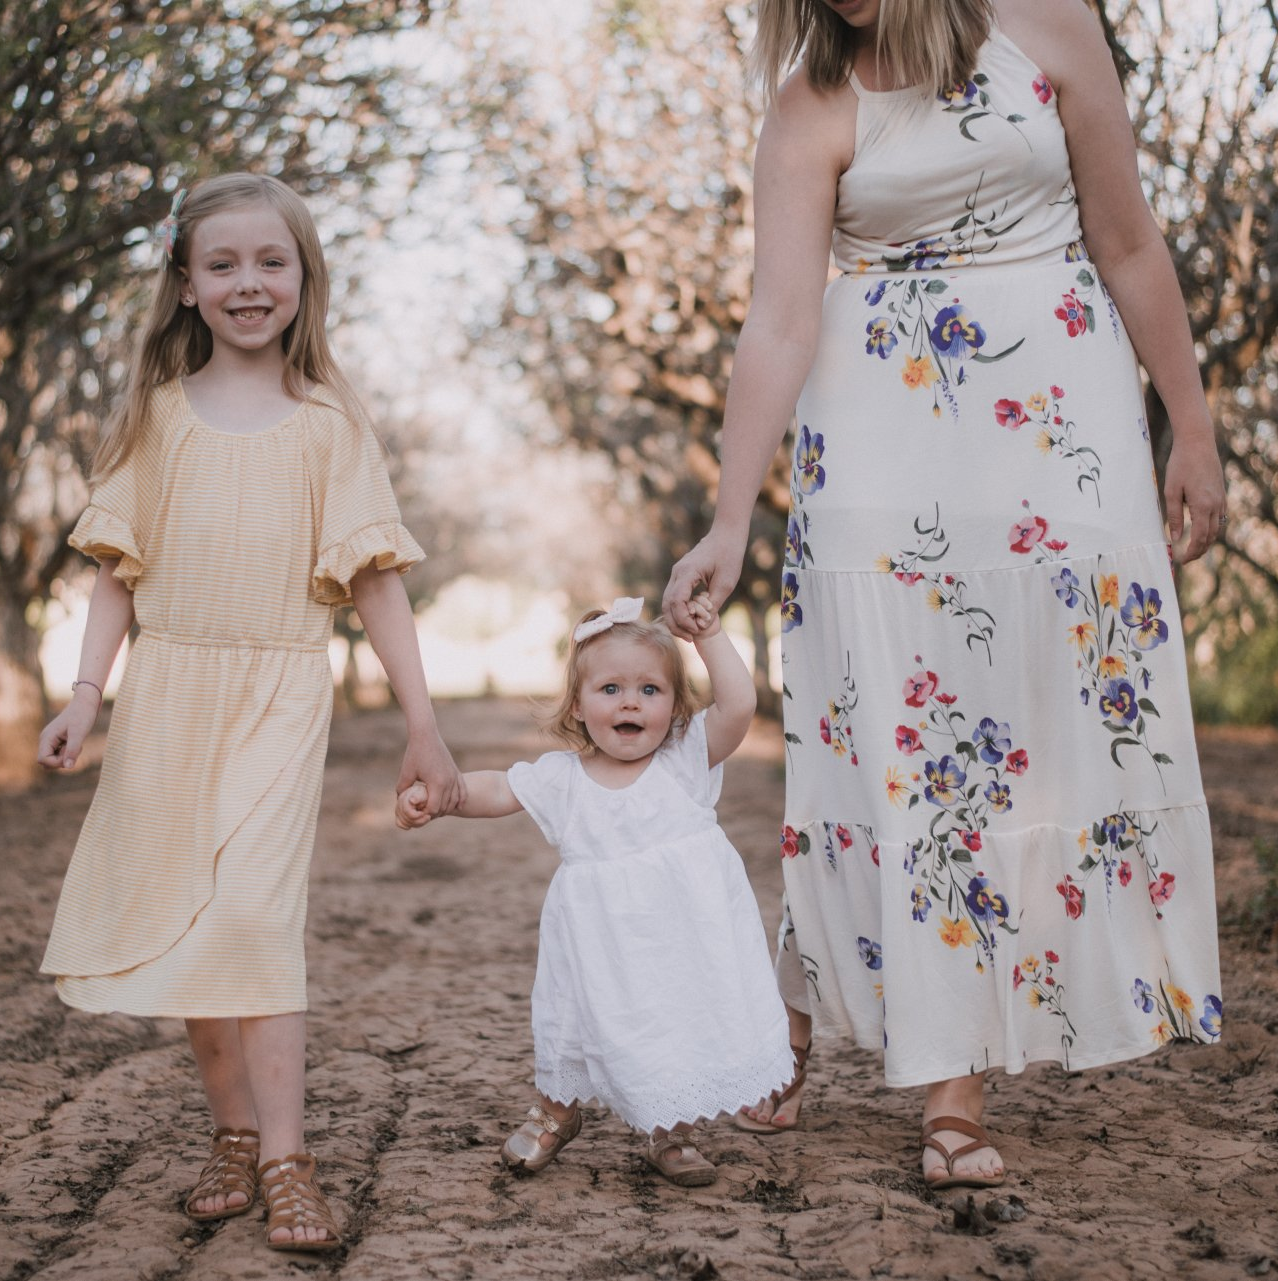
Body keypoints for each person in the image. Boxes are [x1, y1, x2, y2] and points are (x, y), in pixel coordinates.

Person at [662, 0, 1224, 1190]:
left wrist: (1194, 423)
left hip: (1062, 435)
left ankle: (806, 1009)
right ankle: (951, 1087)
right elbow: (780, 316)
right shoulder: (813, 100)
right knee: (919, 745)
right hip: (881, 443)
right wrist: (729, 516)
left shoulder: (1050, 27)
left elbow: (1127, 242)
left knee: (1047, 730)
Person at [37, 173, 464, 1251]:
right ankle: (231, 1134)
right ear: (184, 284)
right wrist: (84, 696)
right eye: (221, 264)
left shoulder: (329, 426)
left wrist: (423, 723)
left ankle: (287, 1160)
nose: (248, 282)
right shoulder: (155, 419)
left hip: (280, 688)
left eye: (271, 262)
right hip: (168, 697)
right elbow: (116, 578)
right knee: (192, 917)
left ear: (304, 279)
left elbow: (374, 582)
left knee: (253, 922)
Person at [396, 596, 794, 1186]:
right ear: (578, 707)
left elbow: (738, 705)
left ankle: (672, 1129)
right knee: (571, 1021)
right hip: (597, 943)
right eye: (610, 689)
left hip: (679, 938)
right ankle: (556, 1110)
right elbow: (499, 790)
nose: (630, 701)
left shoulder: (686, 759)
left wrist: (708, 636)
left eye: (650, 691)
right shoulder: (564, 778)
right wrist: (442, 796)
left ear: (675, 706)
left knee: (672, 1022)